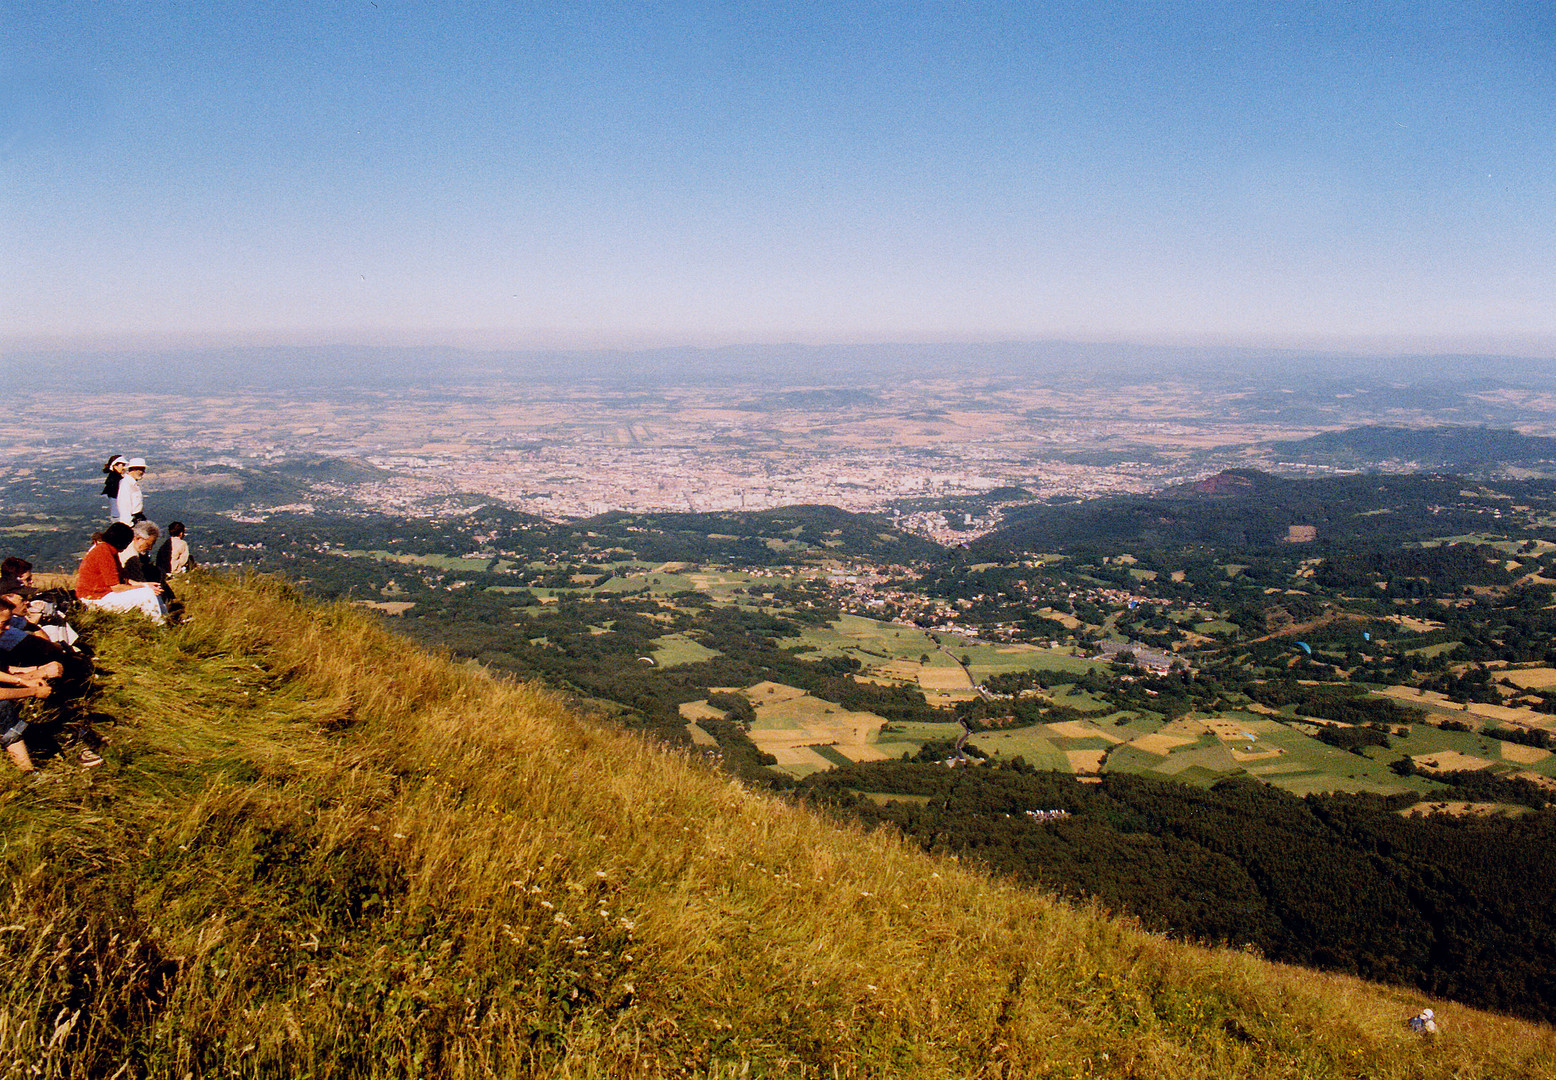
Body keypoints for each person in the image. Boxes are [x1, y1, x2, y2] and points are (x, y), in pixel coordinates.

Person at [76, 522, 165, 622]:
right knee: (147, 594)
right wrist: (144, 587)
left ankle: (164, 618)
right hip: (94, 599)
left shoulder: (108, 550)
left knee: (151, 591)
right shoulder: (104, 552)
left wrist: (145, 585)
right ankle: (159, 624)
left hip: (99, 596)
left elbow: (123, 579)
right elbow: (117, 587)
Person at [116, 457, 148, 525]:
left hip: (138, 518)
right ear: (133, 469)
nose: (142, 472)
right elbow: (124, 506)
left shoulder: (133, 483)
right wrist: (129, 525)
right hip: (132, 521)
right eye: (140, 470)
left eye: (143, 470)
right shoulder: (125, 484)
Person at [101, 455, 127, 520]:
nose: (124, 467)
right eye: (122, 465)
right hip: (120, 516)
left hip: (116, 515)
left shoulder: (111, 479)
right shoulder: (117, 481)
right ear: (115, 466)